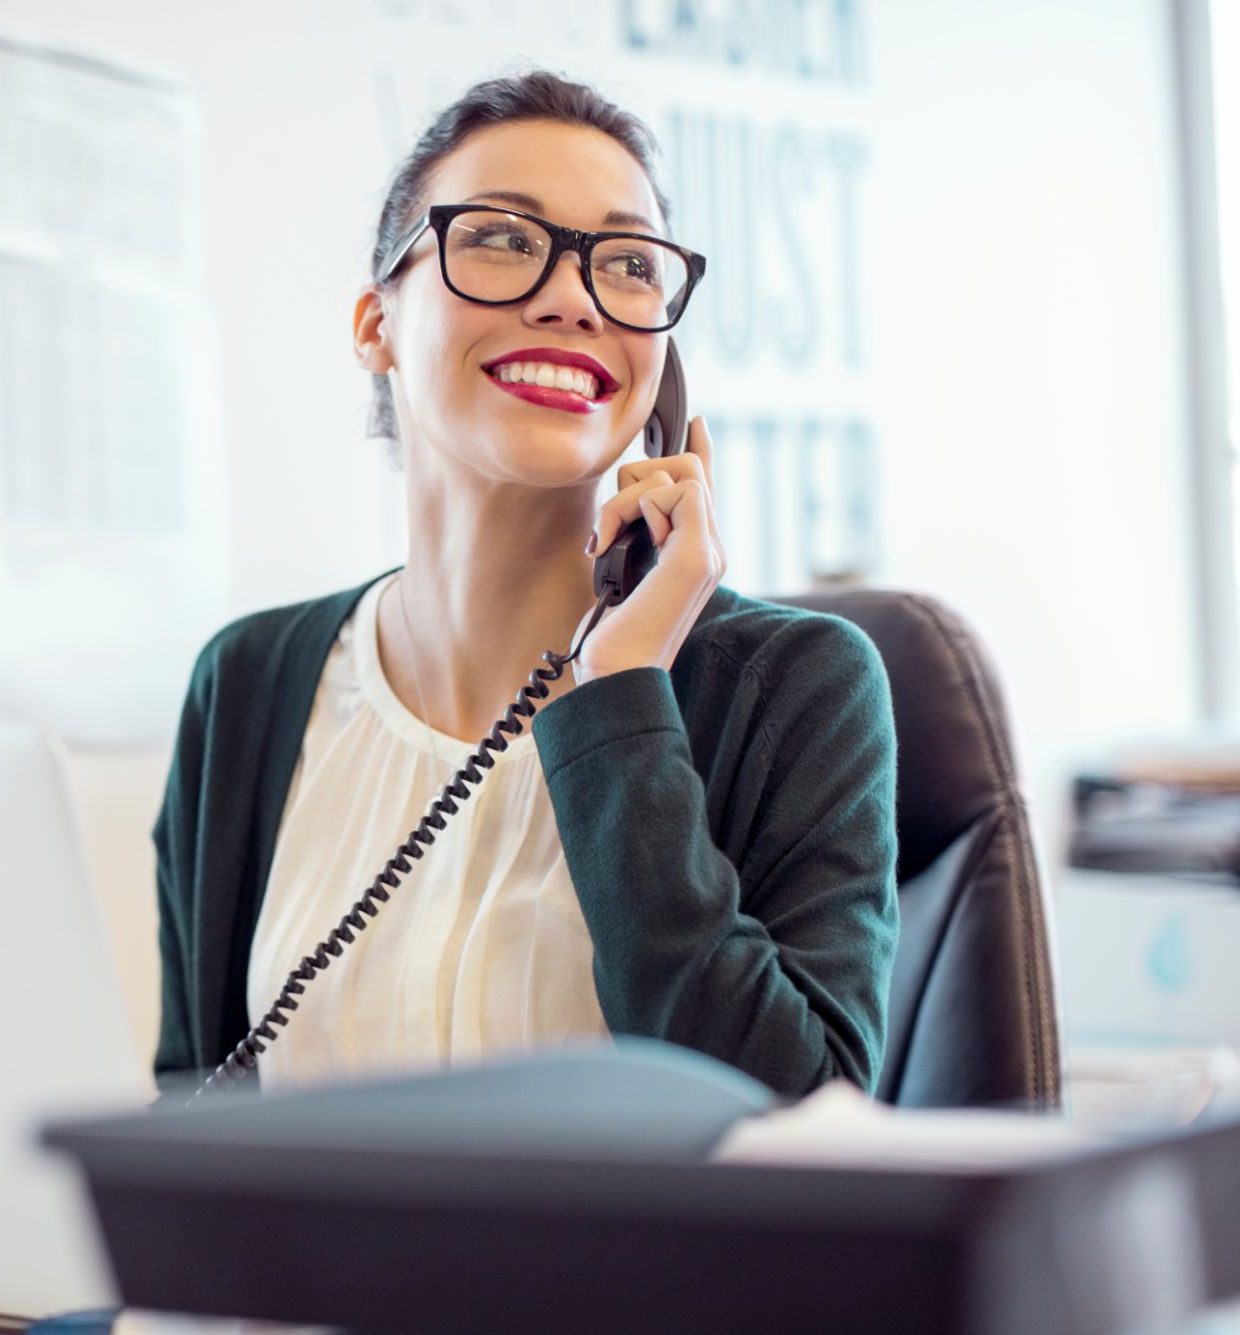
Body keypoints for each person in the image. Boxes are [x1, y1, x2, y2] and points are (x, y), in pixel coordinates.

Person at [151, 70, 898, 1101]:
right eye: (501, 238)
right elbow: (189, 1118)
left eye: (628, 263)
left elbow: (799, 1125)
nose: (570, 296)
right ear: (374, 324)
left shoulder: (792, 689)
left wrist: (620, 696)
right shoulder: (247, 684)